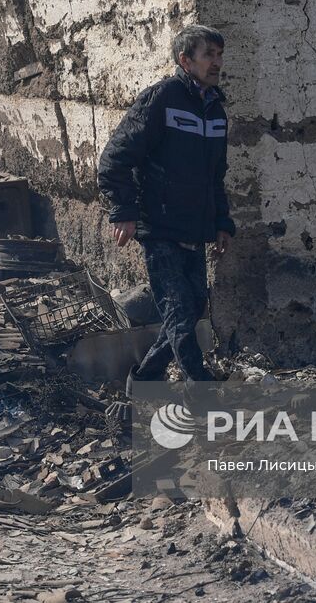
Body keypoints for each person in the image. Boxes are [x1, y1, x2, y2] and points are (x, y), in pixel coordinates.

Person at [97, 24, 234, 388]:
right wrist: (124, 212)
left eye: (219, 55)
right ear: (185, 60)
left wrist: (221, 221)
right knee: (177, 309)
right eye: (209, 55)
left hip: (196, 228)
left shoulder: (216, 111)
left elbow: (215, 176)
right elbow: (114, 159)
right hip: (159, 226)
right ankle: (200, 387)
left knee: (192, 309)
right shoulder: (162, 99)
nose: (217, 62)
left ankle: (144, 379)